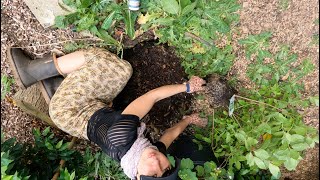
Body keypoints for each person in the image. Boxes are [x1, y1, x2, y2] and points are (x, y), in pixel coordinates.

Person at [7, 47, 208, 179]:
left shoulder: (121, 139)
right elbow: (169, 135)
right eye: (165, 170)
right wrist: (189, 119)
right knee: (115, 80)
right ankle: (57, 85)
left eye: (153, 175)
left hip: (70, 109)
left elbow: (151, 97)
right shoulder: (146, 157)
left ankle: (30, 71)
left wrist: (187, 87)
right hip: (93, 113)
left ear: (138, 177)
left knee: (118, 68)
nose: (157, 164)